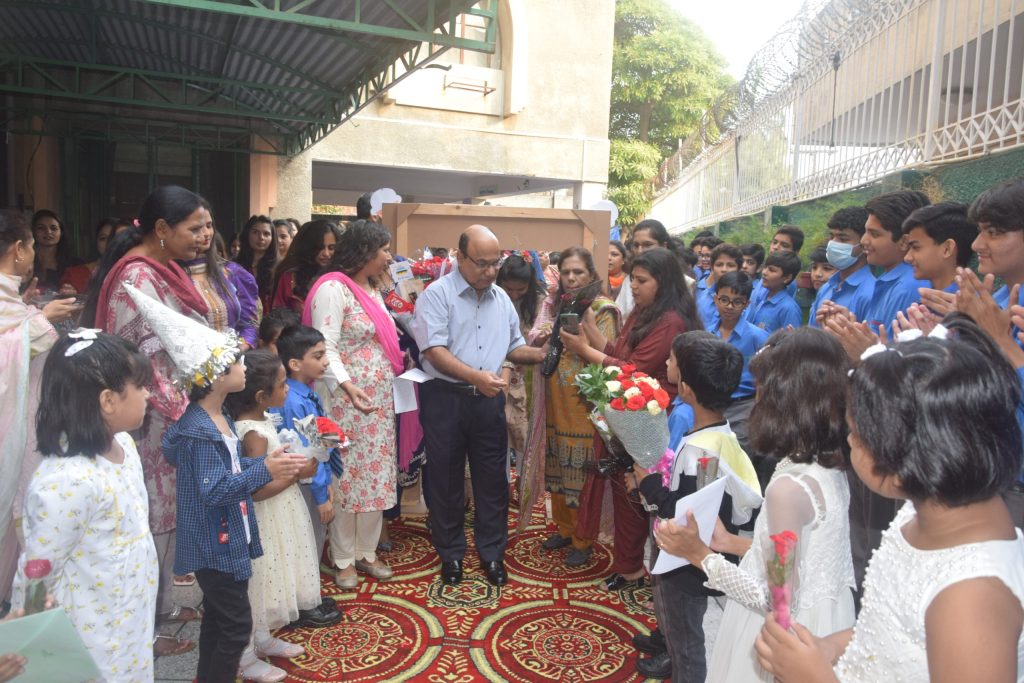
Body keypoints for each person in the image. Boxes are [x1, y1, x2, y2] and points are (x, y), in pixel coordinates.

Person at [755, 316, 1024, 682]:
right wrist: (831, 647)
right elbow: (891, 633)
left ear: (903, 459)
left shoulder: (971, 599)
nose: (849, 441)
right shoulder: (926, 509)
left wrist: (816, 677)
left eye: (856, 434)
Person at [659, 327, 856, 682]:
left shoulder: (788, 489)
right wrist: (730, 543)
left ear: (783, 399)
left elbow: (775, 599)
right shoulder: (830, 464)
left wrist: (700, 556)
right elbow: (804, 556)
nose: (755, 400)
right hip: (827, 620)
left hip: (786, 634)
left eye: (761, 389)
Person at [147, 282, 306, 683]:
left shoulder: (218, 418)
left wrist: (262, 465)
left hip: (224, 536)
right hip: (212, 543)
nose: (244, 367)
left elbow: (224, 473)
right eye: (236, 363)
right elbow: (215, 488)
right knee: (235, 626)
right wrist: (264, 469)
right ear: (216, 376)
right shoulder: (202, 430)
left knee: (220, 621)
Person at [82, 185, 211, 653]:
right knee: (152, 516)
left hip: (168, 411)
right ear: (161, 229)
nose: (204, 236)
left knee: (166, 513)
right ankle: (147, 628)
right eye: (194, 228)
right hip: (149, 418)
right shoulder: (136, 277)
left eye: (207, 227)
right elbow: (137, 361)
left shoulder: (163, 269)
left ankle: (162, 605)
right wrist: (182, 407)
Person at [13, 332, 161, 681]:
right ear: (108, 400)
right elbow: (38, 572)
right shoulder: (66, 481)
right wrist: (27, 646)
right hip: (91, 636)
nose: (149, 395)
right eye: (140, 387)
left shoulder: (125, 446)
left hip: (131, 618)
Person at [560, 247, 701, 592]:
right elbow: (619, 353)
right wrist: (589, 329)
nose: (633, 287)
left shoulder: (670, 321)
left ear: (662, 282)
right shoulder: (645, 311)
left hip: (650, 420)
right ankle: (630, 568)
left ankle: (642, 570)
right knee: (627, 493)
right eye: (633, 280)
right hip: (630, 413)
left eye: (642, 280)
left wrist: (584, 351)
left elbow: (633, 370)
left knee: (640, 494)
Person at [412, 225, 546, 586]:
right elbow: (434, 351)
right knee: (445, 479)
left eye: (494, 263)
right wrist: (476, 377)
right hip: (445, 397)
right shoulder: (436, 295)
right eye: (482, 263)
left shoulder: (501, 299)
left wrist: (541, 353)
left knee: (493, 480)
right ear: (460, 257)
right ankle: (451, 554)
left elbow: (513, 346)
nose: (490, 271)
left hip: (488, 400)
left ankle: (492, 554)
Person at [631, 331, 760, 682]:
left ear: (686, 388)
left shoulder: (701, 453)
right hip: (694, 560)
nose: (667, 362)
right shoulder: (721, 433)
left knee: (686, 639)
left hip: (687, 568)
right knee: (679, 626)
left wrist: (648, 483)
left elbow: (688, 514)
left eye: (672, 360)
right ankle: (667, 644)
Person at [226, 349, 336, 682]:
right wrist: (295, 475)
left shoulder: (264, 420)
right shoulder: (253, 434)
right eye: (282, 384)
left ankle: (262, 637)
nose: (287, 389)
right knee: (259, 585)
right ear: (262, 396)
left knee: (273, 578)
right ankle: (245, 657)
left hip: (281, 510)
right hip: (266, 516)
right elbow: (256, 490)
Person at [305, 219, 401, 588]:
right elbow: (324, 347)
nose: (389, 257)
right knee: (344, 476)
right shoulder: (334, 289)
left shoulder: (374, 288)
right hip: (340, 402)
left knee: (375, 476)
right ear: (364, 252)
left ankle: (366, 552)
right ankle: (342, 556)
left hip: (375, 404)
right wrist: (347, 386)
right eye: (384, 250)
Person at [0, 210, 72, 610]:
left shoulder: (10, 295)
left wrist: (29, 312)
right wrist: (41, 320)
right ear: (19, 249)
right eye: (30, 244)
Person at [533, 247, 619, 567]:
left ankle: (583, 538)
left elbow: (606, 354)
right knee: (558, 465)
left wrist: (582, 339)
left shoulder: (602, 309)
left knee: (582, 471)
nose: (571, 278)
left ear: (592, 275)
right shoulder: (560, 304)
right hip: (557, 400)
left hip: (584, 405)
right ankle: (565, 529)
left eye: (578, 272)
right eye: (566, 272)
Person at [269, 325, 344, 564]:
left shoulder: (306, 395)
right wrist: (321, 495)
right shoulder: (294, 402)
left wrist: (328, 478)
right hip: (306, 485)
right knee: (308, 544)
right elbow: (309, 452)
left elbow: (319, 441)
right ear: (295, 364)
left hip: (315, 480)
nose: (326, 361)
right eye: (318, 356)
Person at [708, 271, 769, 459]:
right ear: (715, 298)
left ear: (747, 304)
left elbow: (766, 377)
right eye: (724, 300)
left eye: (737, 302)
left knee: (737, 454)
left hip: (743, 404)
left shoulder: (758, 337)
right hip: (711, 402)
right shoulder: (707, 333)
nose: (729, 306)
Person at [183, 206, 259, 349]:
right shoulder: (166, 274)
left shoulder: (233, 273)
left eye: (209, 226)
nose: (206, 233)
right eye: (196, 228)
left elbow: (249, 324)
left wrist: (237, 351)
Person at [495, 253, 546, 457]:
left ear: (529, 286)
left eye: (521, 290)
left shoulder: (541, 302)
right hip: (499, 369)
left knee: (526, 428)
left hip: (530, 370)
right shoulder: (492, 298)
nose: (514, 295)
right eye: (509, 289)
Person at [857, 190, 931, 330]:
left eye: (874, 234)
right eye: (865, 232)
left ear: (904, 242)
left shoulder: (908, 288)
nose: (863, 240)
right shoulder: (891, 281)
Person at [811, 207, 876, 328]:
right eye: (832, 237)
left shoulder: (871, 293)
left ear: (863, 244)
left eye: (843, 239)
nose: (833, 243)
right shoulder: (826, 287)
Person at [616, 220, 689, 318]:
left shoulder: (685, 283)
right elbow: (620, 316)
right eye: (636, 245)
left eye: (647, 245)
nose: (640, 251)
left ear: (664, 246)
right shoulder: (629, 280)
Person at [902, 202, 974, 298]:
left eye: (916, 247)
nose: (907, 258)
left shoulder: (966, 304)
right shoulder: (927, 300)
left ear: (947, 249)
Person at [271, 220, 342, 314]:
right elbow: (278, 314)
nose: (326, 253)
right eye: (320, 247)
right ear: (309, 247)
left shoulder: (343, 277)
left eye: (331, 248)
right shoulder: (290, 277)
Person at [58, 217, 131, 295]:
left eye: (117, 238)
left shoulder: (136, 272)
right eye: (103, 238)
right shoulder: (75, 275)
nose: (109, 242)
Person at [746, 250, 803, 333]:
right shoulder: (762, 296)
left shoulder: (789, 309)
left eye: (772, 270)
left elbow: (792, 339)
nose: (764, 272)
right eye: (765, 267)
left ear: (787, 278)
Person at [29, 209, 82, 292]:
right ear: (33, 232)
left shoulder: (76, 264)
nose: (48, 232)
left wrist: (75, 292)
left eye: (53, 228)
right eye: (41, 228)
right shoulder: (26, 263)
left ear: (61, 232)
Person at [234, 215, 278, 312]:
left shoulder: (278, 268)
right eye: (255, 232)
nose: (261, 237)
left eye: (266, 234)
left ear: (272, 238)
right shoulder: (234, 266)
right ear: (247, 234)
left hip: (270, 318)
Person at [696, 242, 742, 327]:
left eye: (730, 265)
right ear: (712, 267)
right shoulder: (700, 298)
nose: (724, 269)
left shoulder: (743, 301)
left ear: (739, 269)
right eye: (719, 265)